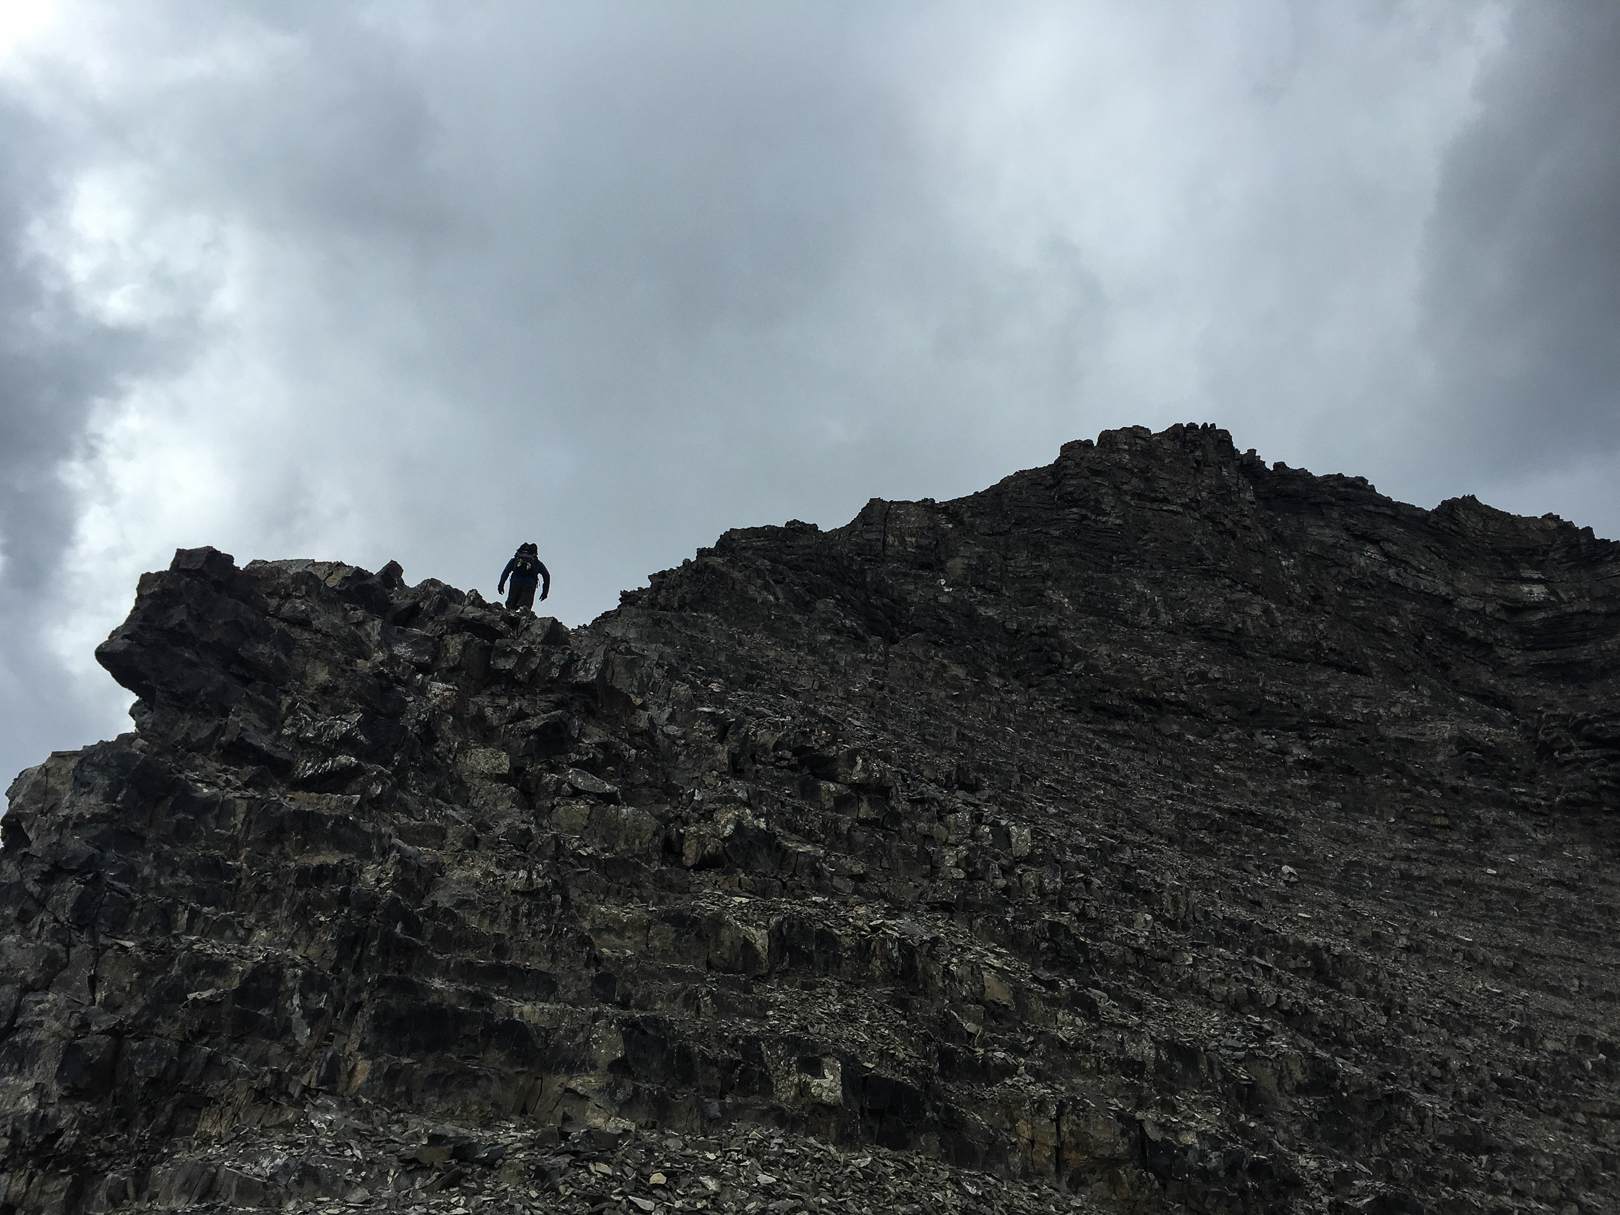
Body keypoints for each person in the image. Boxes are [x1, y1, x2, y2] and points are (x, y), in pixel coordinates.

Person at [497, 542, 550, 612]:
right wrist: (545, 592)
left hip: (515, 582)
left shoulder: (515, 560)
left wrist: (501, 584)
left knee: (511, 607)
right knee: (525, 608)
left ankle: (508, 618)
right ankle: (523, 618)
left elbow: (506, 572)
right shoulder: (537, 563)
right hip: (530, 584)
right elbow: (546, 575)